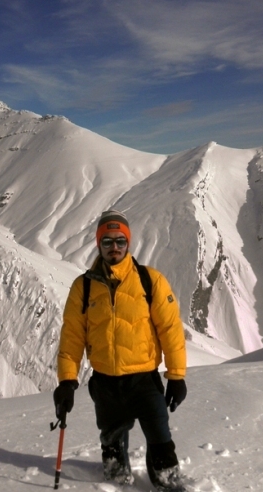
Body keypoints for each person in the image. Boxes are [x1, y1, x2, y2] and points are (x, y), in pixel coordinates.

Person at [54, 210, 188, 491]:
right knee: (111, 442)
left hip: (144, 379)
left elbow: (170, 330)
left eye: (120, 241)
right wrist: (67, 381)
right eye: (107, 241)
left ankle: (168, 483)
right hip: (105, 382)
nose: (114, 247)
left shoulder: (150, 281)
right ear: (98, 244)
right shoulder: (84, 287)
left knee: (160, 437)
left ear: (128, 244)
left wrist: (176, 376)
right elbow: (72, 337)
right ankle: (117, 484)